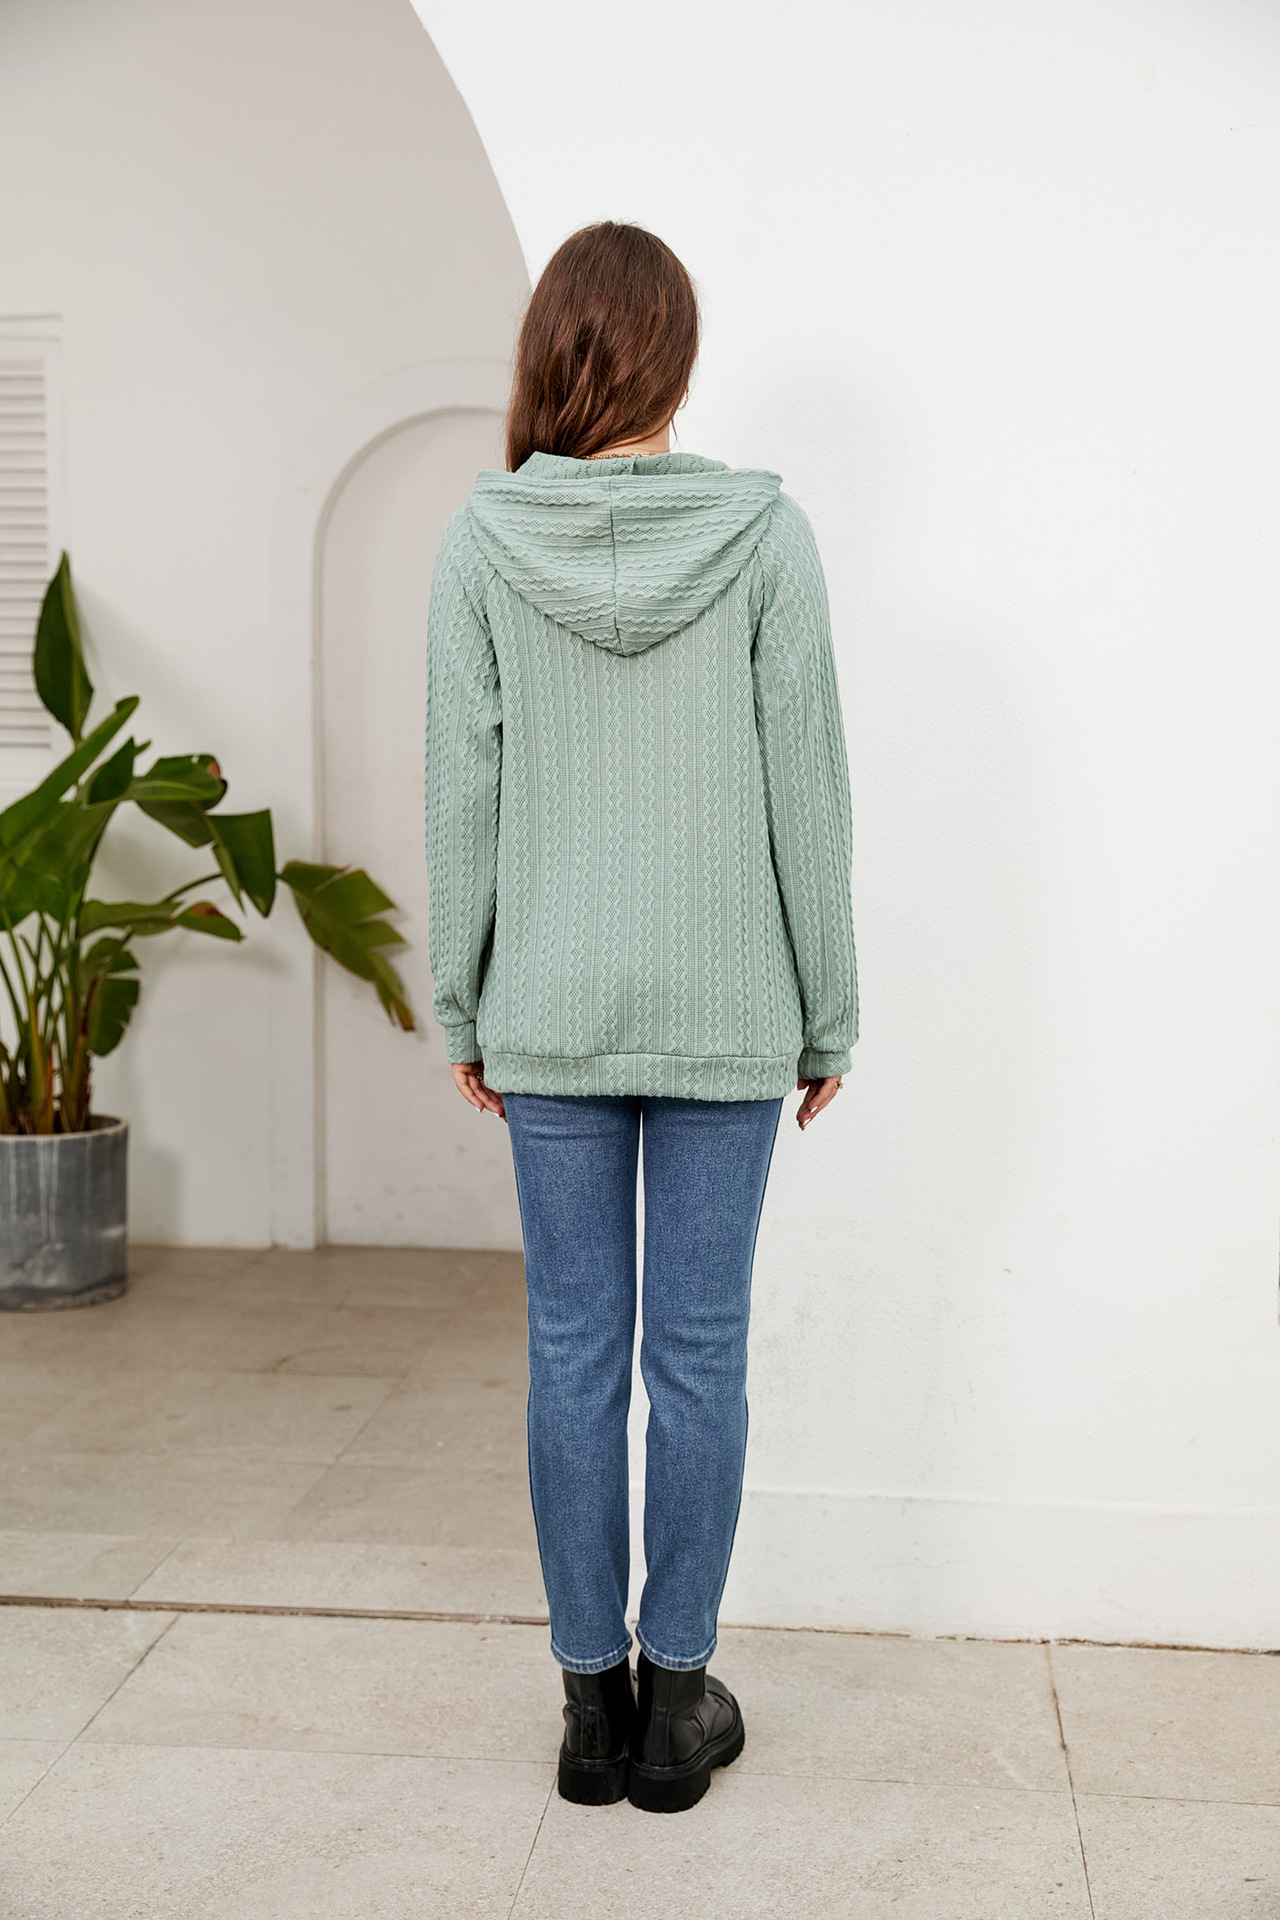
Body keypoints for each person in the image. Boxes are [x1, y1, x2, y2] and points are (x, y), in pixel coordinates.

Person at [424, 221, 857, 1814]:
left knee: (572, 1355)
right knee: (700, 1353)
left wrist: (465, 1002)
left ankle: (588, 1712)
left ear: (551, 352)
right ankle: (677, 1706)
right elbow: (809, 796)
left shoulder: (480, 547)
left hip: (548, 1006)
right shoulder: (768, 541)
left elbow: (462, 792)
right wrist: (828, 1011)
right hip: (730, 1007)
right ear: (674, 360)